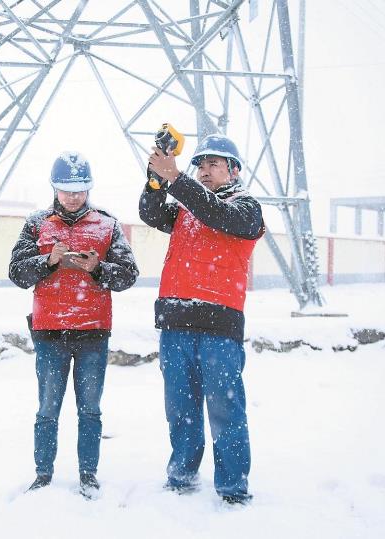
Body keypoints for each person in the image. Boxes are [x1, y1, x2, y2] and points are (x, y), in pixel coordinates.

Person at [139, 134, 264, 506]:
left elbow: (216, 213)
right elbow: (151, 212)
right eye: (200, 164)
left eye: (214, 164)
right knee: (180, 408)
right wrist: (155, 178)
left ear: (234, 169)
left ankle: (232, 486)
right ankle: (182, 474)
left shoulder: (246, 208)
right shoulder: (186, 206)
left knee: (225, 411)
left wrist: (177, 178)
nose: (205, 171)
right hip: (176, 322)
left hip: (219, 328)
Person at [9, 151, 139, 499]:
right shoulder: (36, 224)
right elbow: (17, 273)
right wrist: (48, 261)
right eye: (66, 189)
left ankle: (88, 474)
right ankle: (42, 474)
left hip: (93, 332)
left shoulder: (107, 225)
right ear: (54, 188)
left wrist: (98, 269)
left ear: (89, 188)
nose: (72, 196)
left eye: (79, 189)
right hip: (49, 332)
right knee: (48, 408)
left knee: (90, 409)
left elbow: (128, 275)